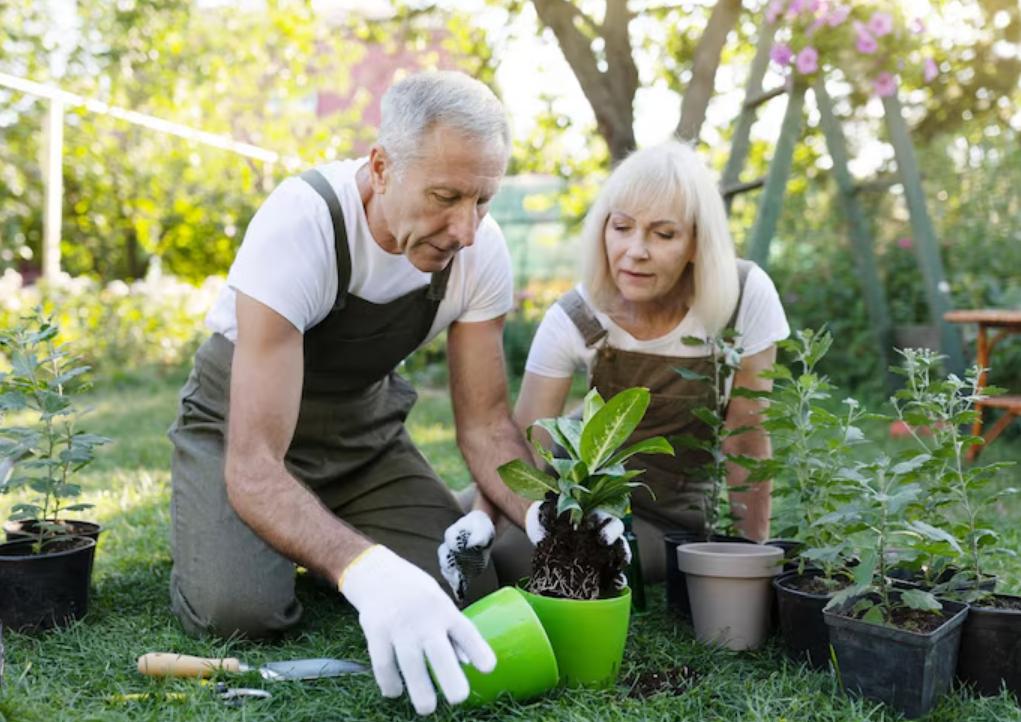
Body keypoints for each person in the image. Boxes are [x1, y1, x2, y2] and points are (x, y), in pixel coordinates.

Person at [167, 70, 534, 716]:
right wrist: (368, 573)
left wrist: (548, 516)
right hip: (242, 438)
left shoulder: (480, 251)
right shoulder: (303, 223)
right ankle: (251, 537)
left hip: (363, 440)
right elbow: (255, 466)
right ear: (382, 167)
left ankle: (369, 526)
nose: (466, 229)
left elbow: (486, 427)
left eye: (483, 200)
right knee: (239, 611)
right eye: (445, 196)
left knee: (468, 587)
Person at [471, 140, 790, 586]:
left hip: (665, 517)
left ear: (696, 242)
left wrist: (750, 561)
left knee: (518, 564)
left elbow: (747, 440)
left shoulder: (741, 300)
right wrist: (482, 520)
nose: (636, 250)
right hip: (570, 489)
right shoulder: (579, 315)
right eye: (622, 227)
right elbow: (527, 447)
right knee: (451, 520)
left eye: (664, 234)